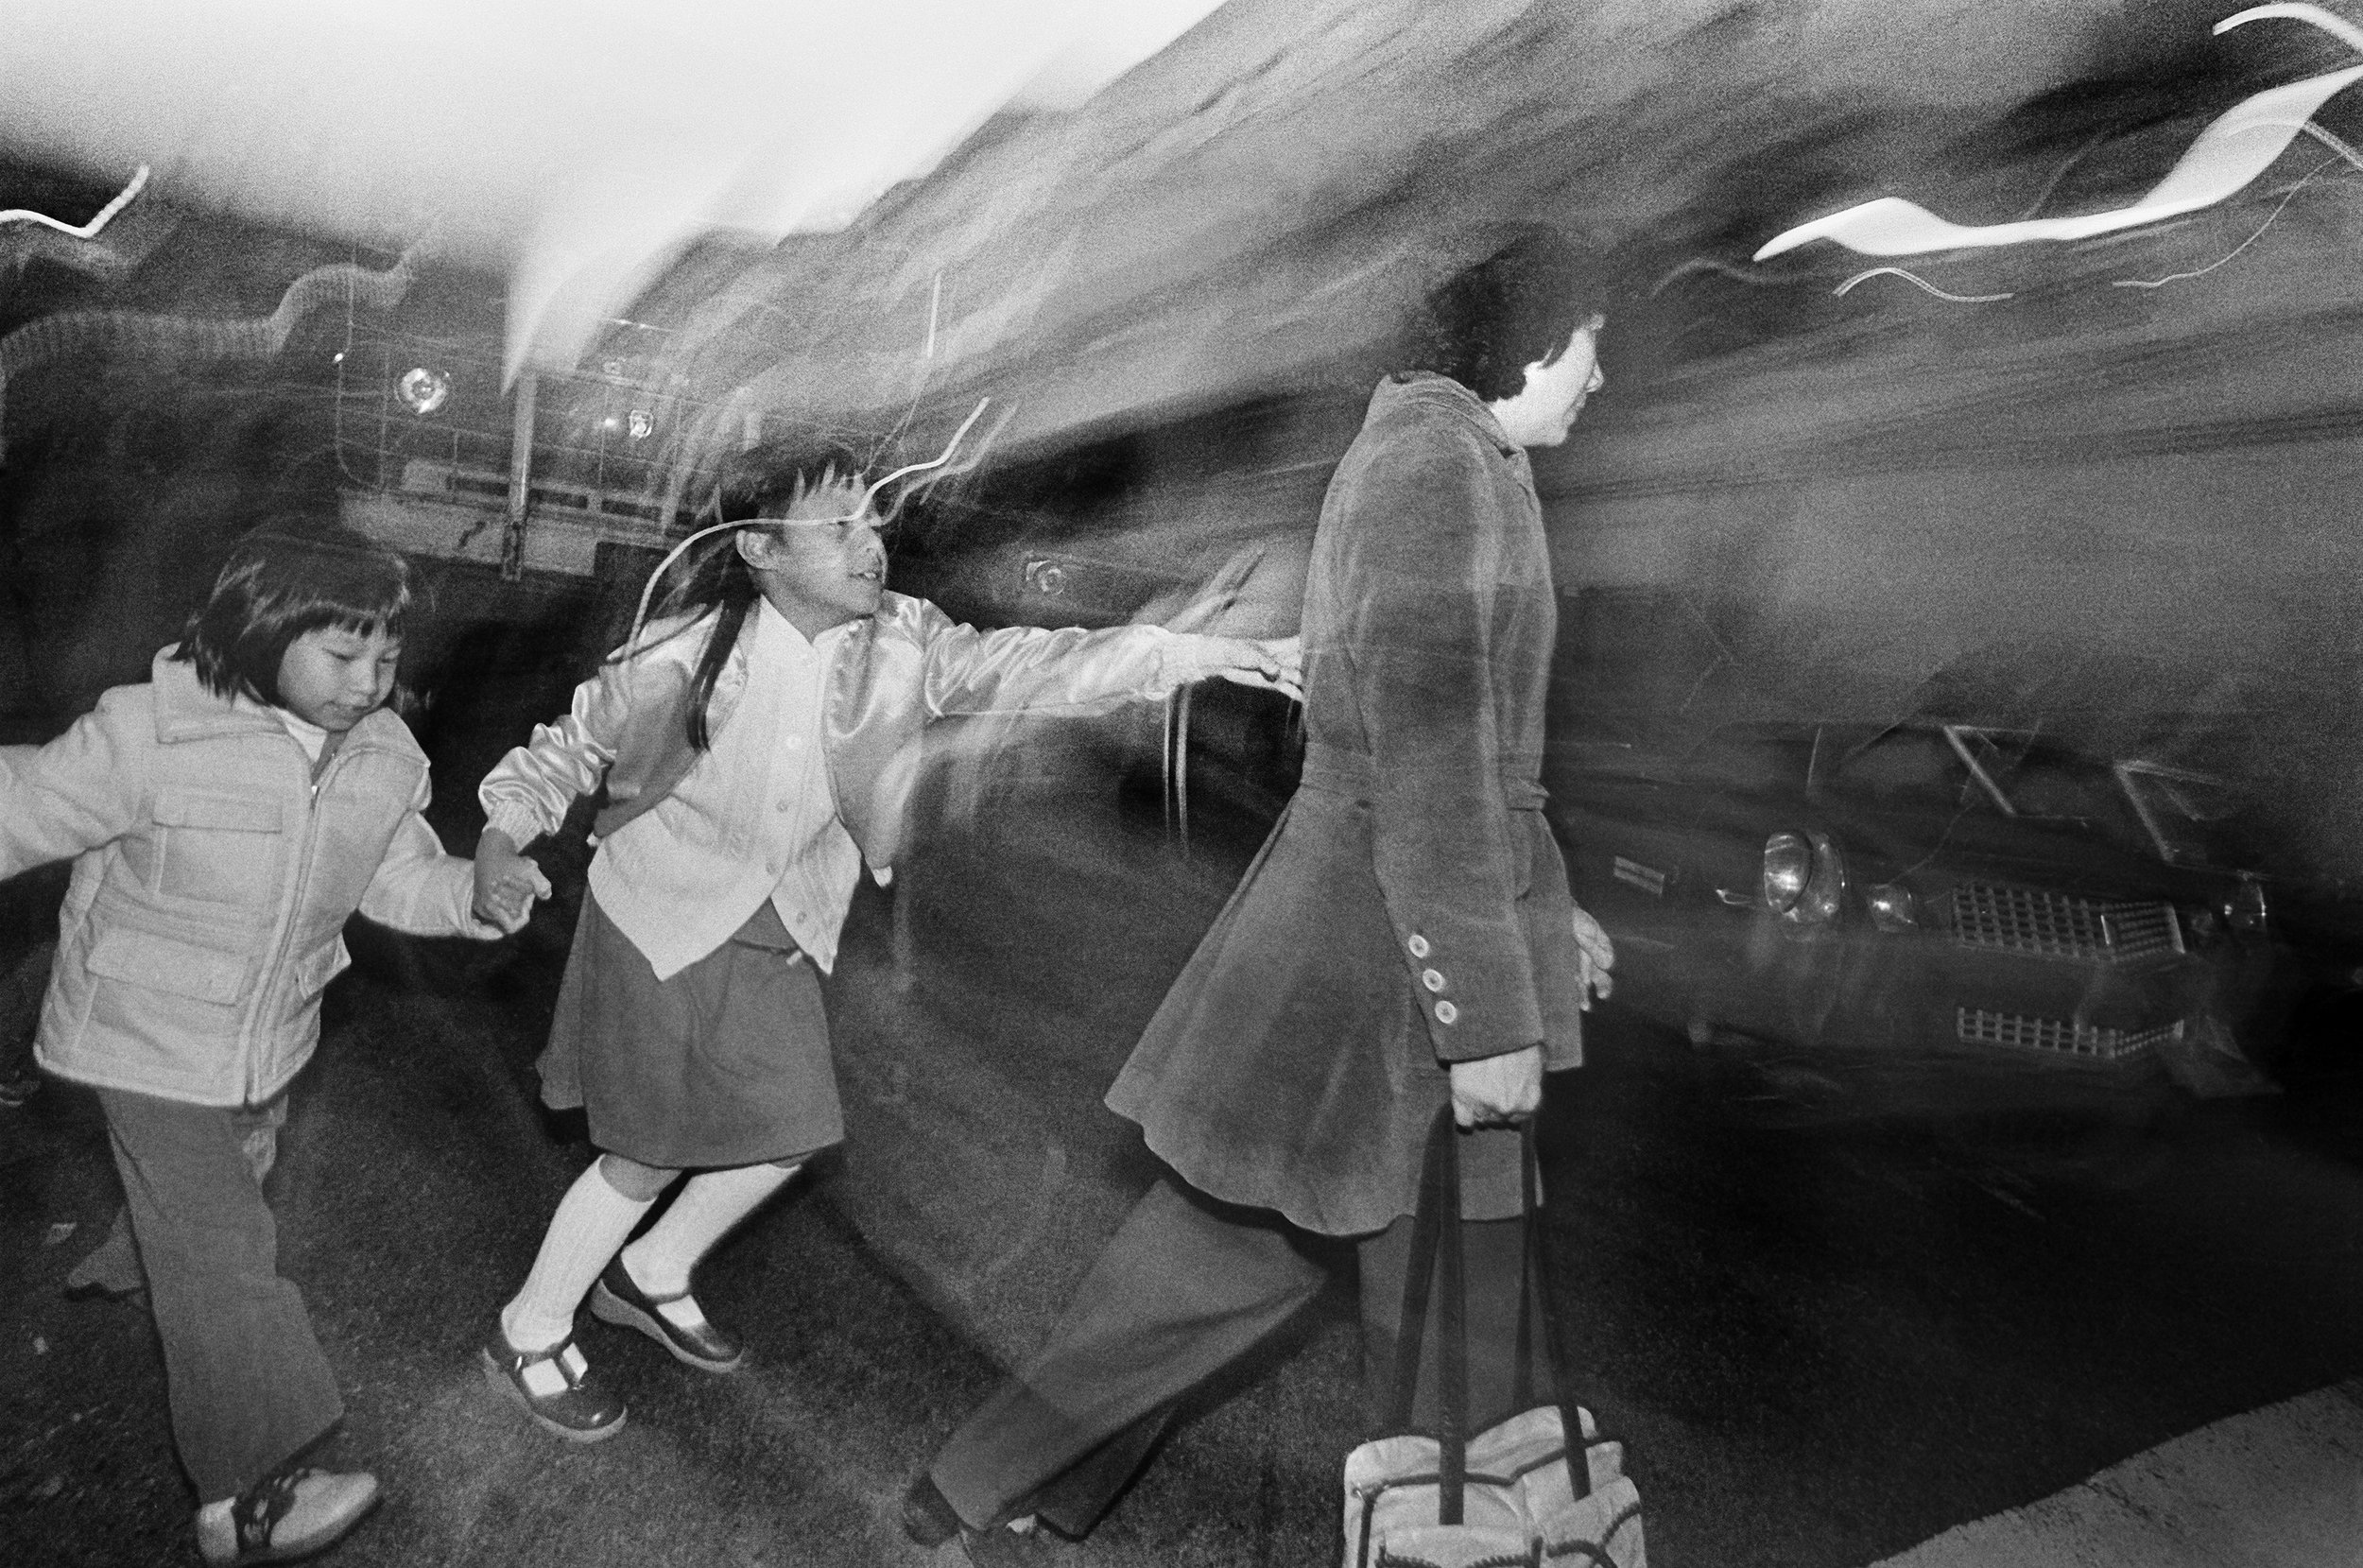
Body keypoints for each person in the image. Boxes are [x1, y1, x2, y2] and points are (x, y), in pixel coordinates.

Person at [903, 226, 1619, 1564]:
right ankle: (1432, 1540)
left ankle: (993, 1480)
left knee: (1228, 1267)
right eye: (1594, 341)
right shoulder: (1438, 467)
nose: (1600, 374)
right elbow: (1429, 763)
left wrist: (1541, 916)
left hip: (1369, 957)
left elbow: (1470, 768)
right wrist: (1488, 1016)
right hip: (1387, 979)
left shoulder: (1447, 459)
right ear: (1536, 332)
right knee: (1443, 1341)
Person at [470, 439, 1301, 1443]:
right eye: (839, 528)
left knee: (791, 1133)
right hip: (658, 915)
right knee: (642, 1153)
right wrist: (499, 840)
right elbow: (565, 752)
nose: (871, 546)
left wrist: (1215, 653)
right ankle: (533, 1326)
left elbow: (1045, 665)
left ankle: (648, 1271)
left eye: (872, 523)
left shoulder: (906, 641)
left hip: (783, 926)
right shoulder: (681, 653)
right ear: (761, 552)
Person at [0, 526, 532, 1567]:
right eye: (342, 656)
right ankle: (250, 1495)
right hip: (142, 1039)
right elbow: (20, 805)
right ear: (261, 629)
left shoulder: (383, 757)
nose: (369, 682)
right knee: (228, 1257)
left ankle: (147, 1260)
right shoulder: (151, 734)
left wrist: (473, 894)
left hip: (267, 1036)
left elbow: (393, 878)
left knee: (225, 1191)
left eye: (386, 658)